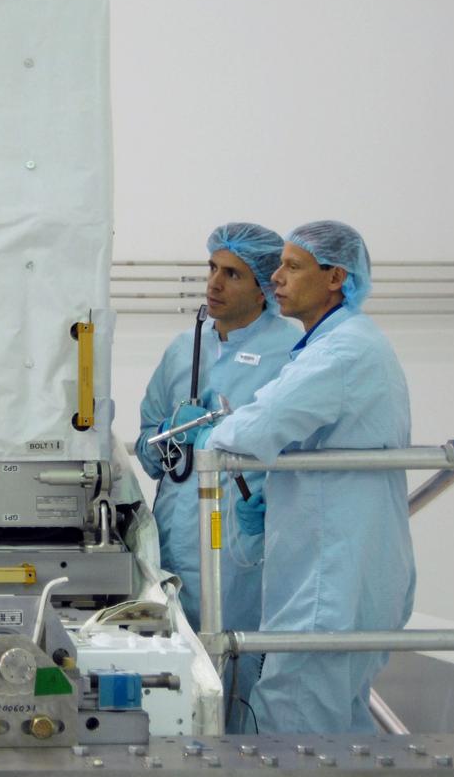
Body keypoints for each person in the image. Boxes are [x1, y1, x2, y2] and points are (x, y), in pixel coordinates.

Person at [203, 220, 415, 734]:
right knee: (338, 728)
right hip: (345, 569)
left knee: (296, 724)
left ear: (335, 276)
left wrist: (217, 437)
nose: (276, 277)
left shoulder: (341, 353)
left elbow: (253, 429)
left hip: (331, 580)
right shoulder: (339, 343)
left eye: (293, 266)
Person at [135, 222, 300, 731]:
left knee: (239, 661)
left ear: (264, 286)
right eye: (212, 268)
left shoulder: (290, 352)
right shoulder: (185, 348)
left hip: (243, 541)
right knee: (175, 663)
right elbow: (144, 449)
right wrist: (168, 432)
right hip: (174, 536)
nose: (215, 283)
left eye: (232, 273)